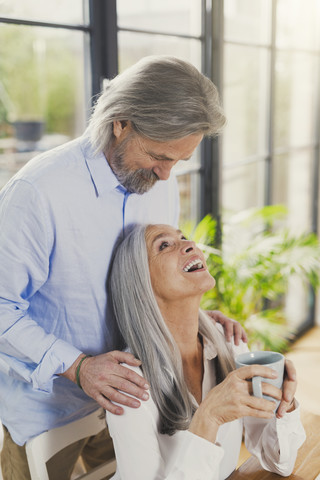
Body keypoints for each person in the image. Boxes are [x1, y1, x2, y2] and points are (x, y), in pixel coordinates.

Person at [0, 55, 246, 479]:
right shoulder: (37, 193)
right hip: (49, 406)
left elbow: (147, 279)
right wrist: (78, 366)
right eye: (159, 156)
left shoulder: (154, 181)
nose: (168, 175)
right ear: (121, 122)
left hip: (136, 397)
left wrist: (195, 318)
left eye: (178, 161)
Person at [107, 223, 306, 480]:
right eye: (164, 245)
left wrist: (284, 406)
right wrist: (209, 417)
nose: (189, 245)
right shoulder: (127, 384)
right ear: (140, 283)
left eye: (184, 237)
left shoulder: (230, 342)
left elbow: (279, 463)